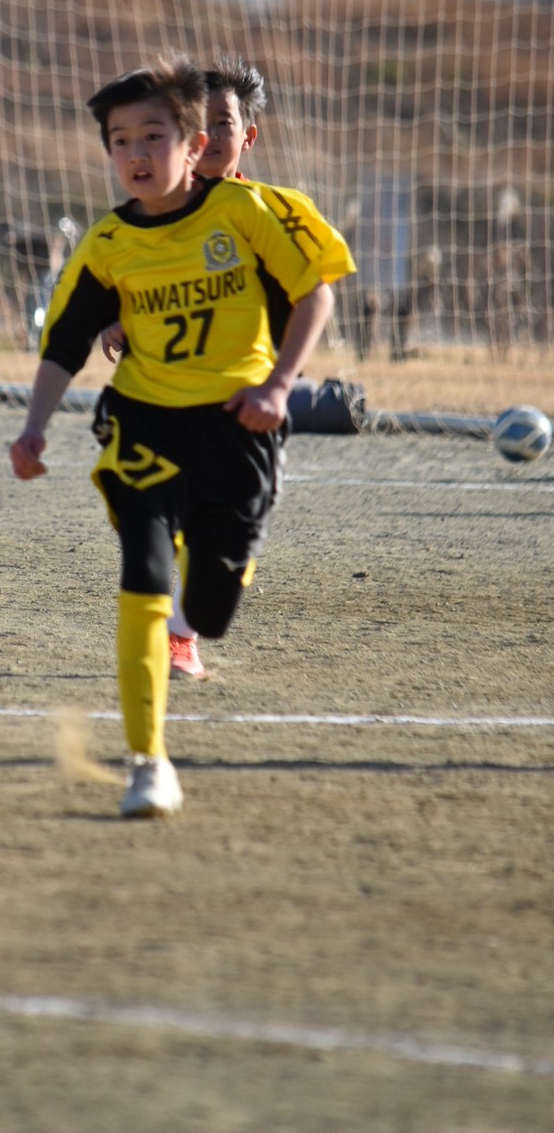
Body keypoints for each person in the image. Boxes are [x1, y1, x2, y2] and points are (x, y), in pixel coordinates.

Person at [9, 54, 355, 818]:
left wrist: (278, 385)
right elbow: (62, 343)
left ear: (195, 146)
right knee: (145, 576)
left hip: (239, 427)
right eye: (120, 140)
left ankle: (196, 625)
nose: (135, 153)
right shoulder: (107, 244)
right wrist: (33, 428)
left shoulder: (251, 213)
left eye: (153, 136)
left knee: (215, 600)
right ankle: (148, 761)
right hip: (143, 424)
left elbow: (314, 293)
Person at [98, 55, 344, 682]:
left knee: (236, 528)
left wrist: (279, 380)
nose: (211, 133)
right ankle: (172, 627)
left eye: (225, 121)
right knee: (162, 515)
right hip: (165, 402)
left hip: (246, 403)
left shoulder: (272, 212)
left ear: (245, 136)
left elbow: (311, 296)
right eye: (198, 119)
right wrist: (118, 316)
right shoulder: (150, 214)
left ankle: (183, 631)